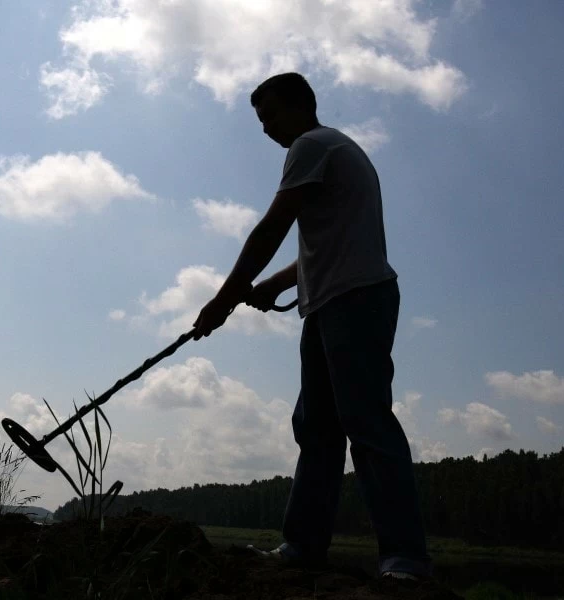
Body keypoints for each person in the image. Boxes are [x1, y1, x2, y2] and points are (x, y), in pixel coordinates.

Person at [192, 72, 433, 581]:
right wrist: (274, 286)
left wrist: (223, 298)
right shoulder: (332, 151)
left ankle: (406, 558)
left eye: (271, 115)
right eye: (260, 120)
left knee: (366, 424)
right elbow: (320, 247)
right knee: (318, 430)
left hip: (355, 299)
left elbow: (271, 228)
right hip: (328, 302)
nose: (266, 129)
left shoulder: (311, 145)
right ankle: (302, 546)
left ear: (303, 107)